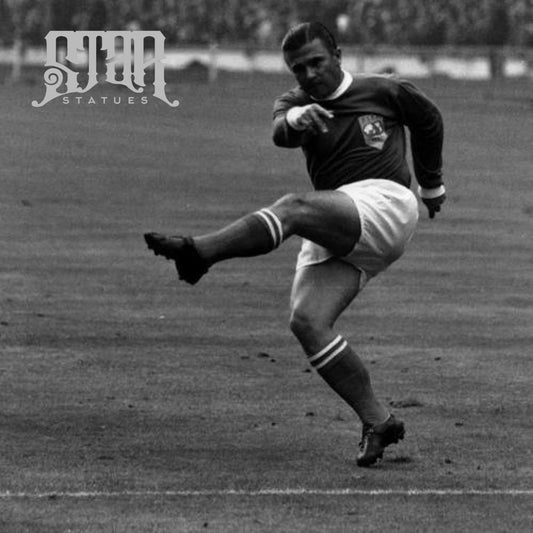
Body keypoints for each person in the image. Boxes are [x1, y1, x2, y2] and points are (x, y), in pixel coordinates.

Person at [144, 22, 445, 467]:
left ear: (338, 55)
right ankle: (378, 422)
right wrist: (295, 120)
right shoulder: (294, 102)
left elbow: (428, 120)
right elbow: (280, 131)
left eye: (316, 62)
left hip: (386, 202)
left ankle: (198, 253)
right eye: (298, 68)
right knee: (308, 321)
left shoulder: (384, 90)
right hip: (340, 216)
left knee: (292, 209)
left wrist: (432, 184)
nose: (308, 74)